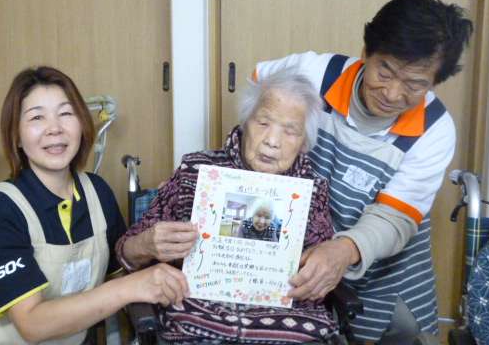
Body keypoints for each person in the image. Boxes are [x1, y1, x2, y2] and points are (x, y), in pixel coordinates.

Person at [253, 0, 474, 342]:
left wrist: (342, 251)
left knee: (388, 333)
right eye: (385, 71)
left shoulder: (435, 129)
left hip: (386, 274)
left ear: (434, 83)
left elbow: (394, 216)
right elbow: (259, 88)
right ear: (366, 52)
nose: (392, 93)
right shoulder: (317, 74)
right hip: (302, 252)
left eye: (414, 84)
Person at [0, 66, 188, 345]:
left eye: (65, 113)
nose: (54, 129)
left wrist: (155, 239)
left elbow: (117, 271)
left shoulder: (98, 192)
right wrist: (131, 287)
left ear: (81, 124)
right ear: (17, 137)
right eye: (37, 117)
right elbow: (32, 324)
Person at [116, 70, 337, 343]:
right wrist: (145, 245)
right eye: (263, 123)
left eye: (290, 131)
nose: (272, 141)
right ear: (245, 122)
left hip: (288, 333)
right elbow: (125, 253)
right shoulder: (195, 171)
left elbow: (323, 278)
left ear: (304, 143)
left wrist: (317, 272)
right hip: (196, 327)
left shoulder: (312, 191)